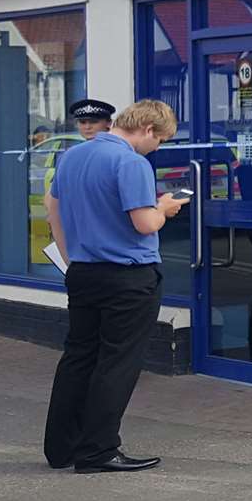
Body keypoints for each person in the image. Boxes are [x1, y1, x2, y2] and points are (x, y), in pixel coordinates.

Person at [42, 99, 187, 473]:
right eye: (161, 141)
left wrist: (70, 255)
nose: (158, 148)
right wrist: (165, 209)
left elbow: (52, 206)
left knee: (78, 358)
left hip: (84, 272)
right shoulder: (131, 162)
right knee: (117, 363)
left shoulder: (73, 156)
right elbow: (144, 224)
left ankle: (62, 448)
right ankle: (99, 450)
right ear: (149, 130)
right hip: (128, 276)